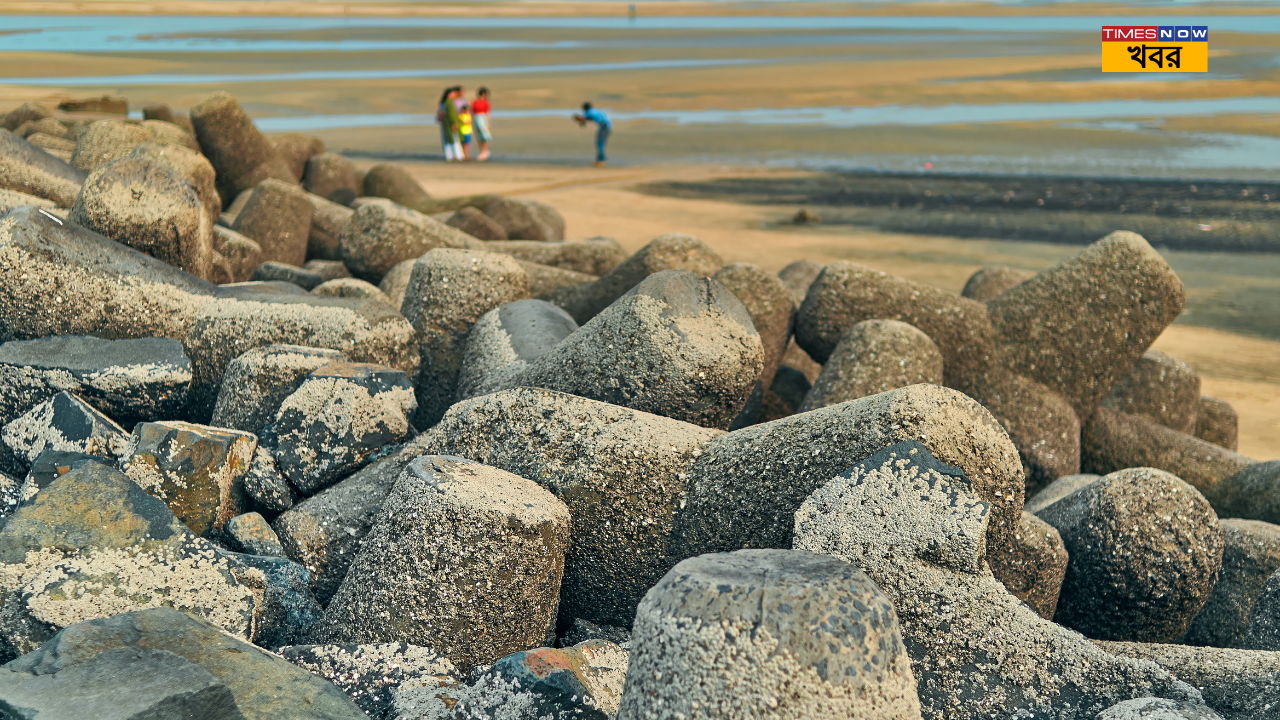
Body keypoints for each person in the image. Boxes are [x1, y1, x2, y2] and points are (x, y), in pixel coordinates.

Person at [573, 101, 611, 166]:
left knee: (599, 144)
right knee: (599, 143)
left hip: (604, 127)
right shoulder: (594, 111)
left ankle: (601, 161)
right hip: (606, 126)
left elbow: (584, 119)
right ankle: (599, 160)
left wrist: (578, 119)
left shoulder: (589, 112)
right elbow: (588, 119)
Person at [436, 86, 463, 161]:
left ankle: (451, 155)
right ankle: (456, 155)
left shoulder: (445, 103)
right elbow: (451, 114)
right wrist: (454, 123)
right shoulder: (449, 103)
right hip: (449, 124)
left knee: (449, 139)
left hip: (446, 124)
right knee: (454, 139)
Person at [472, 87, 492, 161]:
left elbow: (487, 113)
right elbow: (473, 112)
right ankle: (482, 151)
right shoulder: (475, 102)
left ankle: (485, 151)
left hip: (483, 118)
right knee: (479, 135)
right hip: (476, 118)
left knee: (484, 135)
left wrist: (488, 123)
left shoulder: (486, 102)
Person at [454, 85, 472, 160]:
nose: (462, 93)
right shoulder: (454, 101)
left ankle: (465, 154)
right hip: (459, 122)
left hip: (466, 124)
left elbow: (467, 108)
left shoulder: (463, 99)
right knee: (460, 140)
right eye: (461, 91)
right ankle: (460, 154)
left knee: (466, 141)